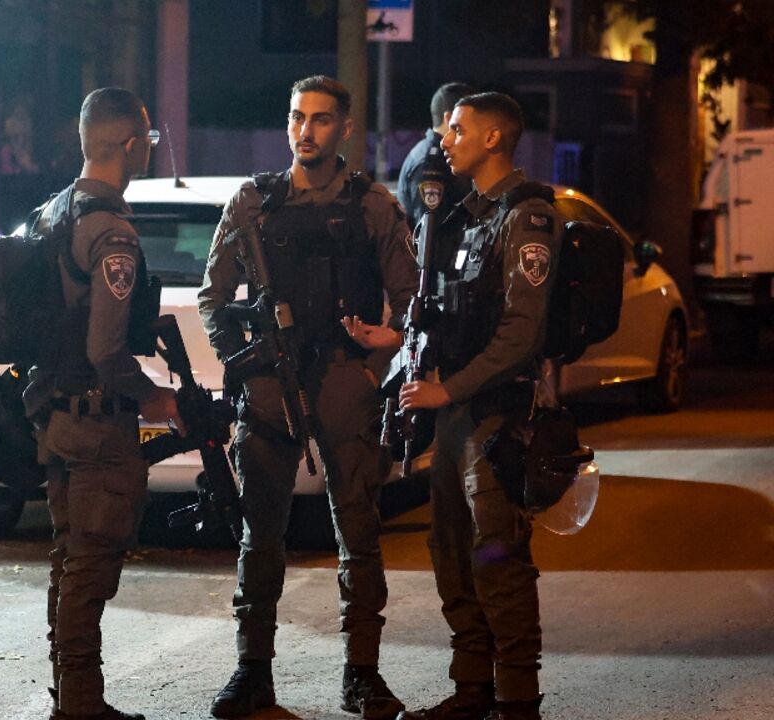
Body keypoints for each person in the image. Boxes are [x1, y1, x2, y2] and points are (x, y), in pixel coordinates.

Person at [198, 75, 419, 720]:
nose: (306, 130)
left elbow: (410, 306)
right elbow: (214, 297)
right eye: (297, 117)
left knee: (359, 533)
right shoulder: (252, 203)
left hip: (344, 384)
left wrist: (374, 365)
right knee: (259, 536)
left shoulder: (372, 206)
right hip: (270, 388)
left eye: (321, 119)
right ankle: (252, 672)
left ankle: (362, 674)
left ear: (343, 128)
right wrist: (243, 359)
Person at [397, 92, 561, 720]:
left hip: (498, 417)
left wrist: (449, 389)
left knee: (499, 557)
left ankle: (518, 699)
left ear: (493, 140)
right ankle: (472, 690)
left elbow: (522, 334)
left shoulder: (528, 217)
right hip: (459, 415)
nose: (445, 140)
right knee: (452, 549)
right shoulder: (463, 217)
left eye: (458, 130)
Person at [22, 87, 182, 720]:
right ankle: (82, 707)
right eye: (147, 139)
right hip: (95, 426)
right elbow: (106, 350)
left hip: (53, 419)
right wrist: (157, 398)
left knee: (68, 560)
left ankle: (72, 698)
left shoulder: (50, 214)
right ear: (130, 143)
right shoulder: (111, 232)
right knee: (90, 570)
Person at [397, 83, 475, 230]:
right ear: (450, 117)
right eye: (473, 118)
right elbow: (429, 235)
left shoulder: (441, 157)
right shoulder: (431, 163)